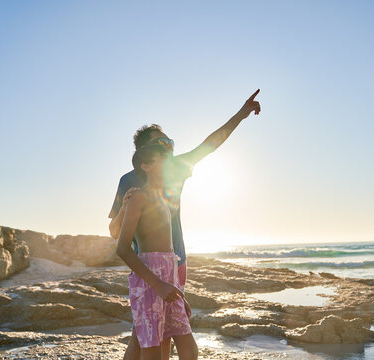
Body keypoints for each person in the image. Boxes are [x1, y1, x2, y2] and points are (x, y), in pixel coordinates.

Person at [109, 89, 261, 360]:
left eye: (169, 141)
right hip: (147, 265)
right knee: (144, 338)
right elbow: (114, 234)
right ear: (144, 155)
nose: (168, 146)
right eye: (161, 142)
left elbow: (210, 144)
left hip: (176, 261)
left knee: (165, 334)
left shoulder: (176, 167)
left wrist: (242, 113)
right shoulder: (129, 181)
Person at [116, 144, 196, 360]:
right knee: (151, 353)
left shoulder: (163, 198)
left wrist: (178, 291)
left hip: (169, 283)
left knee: (189, 349)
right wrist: (158, 284)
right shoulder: (139, 198)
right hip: (149, 283)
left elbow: (168, 253)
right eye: (163, 158)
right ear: (146, 166)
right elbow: (122, 248)